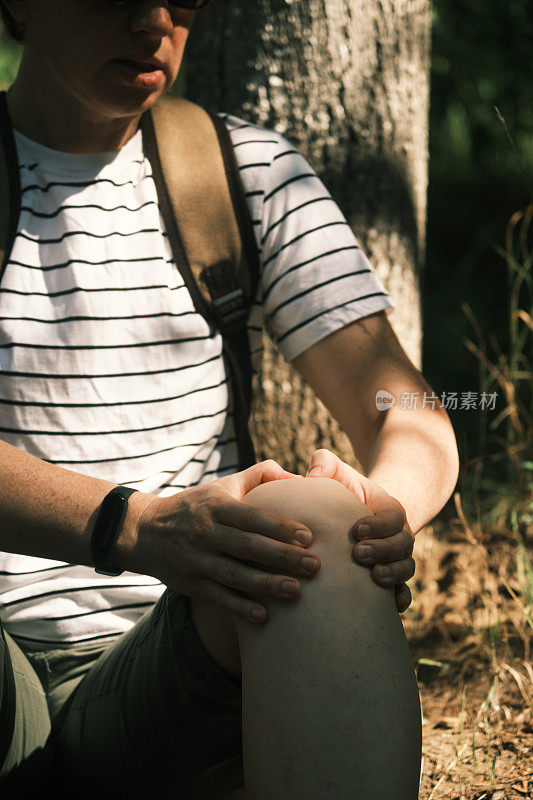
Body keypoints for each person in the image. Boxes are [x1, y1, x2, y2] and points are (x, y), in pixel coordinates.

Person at [0, 1, 460, 798]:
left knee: (314, 526)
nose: (153, 19)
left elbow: (402, 402)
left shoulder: (241, 171)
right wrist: (136, 524)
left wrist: (382, 509)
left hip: (161, 673)